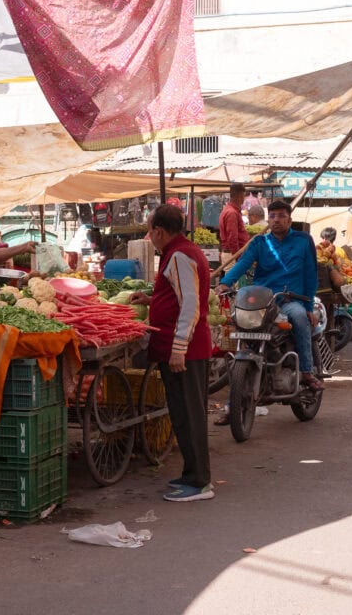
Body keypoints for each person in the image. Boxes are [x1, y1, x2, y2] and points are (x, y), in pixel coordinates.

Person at [129, 205, 214, 502]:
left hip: (186, 350)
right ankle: (192, 475)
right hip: (185, 346)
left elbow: (191, 304)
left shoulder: (178, 255)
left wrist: (179, 348)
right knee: (183, 414)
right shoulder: (182, 251)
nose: (149, 237)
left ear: (160, 232)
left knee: (190, 415)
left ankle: (199, 482)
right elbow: (180, 296)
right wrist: (152, 299)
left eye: (151, 231)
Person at [217, 200, 322, 391]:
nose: (277, 220)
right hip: (262, 302)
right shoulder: (260, 242)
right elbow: (243, 264)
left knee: (299, 318)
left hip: (291, 300)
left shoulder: (304, 241)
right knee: (238, 325)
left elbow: (311, 275)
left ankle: (307, 372)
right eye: (272, 216)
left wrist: (308, 308)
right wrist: (225, 283)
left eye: (282, 216)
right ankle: (233, 404)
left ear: (290, 220)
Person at [218, 183, 250, 257]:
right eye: (243, 196)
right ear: (239, 196)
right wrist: (238, 257)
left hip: (232, 254)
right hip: (232, 255)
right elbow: (232, 238)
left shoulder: (230, 210)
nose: (243, 199)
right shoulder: (232, 213)